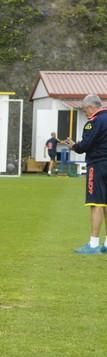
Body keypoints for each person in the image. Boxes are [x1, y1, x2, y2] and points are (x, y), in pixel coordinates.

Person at [67, 94, 107, 254]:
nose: (85, 114)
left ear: (91, 107)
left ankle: (93, 243)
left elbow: (85, 145)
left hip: (97, 165)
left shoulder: (94, 122)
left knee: (96, 203)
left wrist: (74, 146)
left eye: (85, 111)